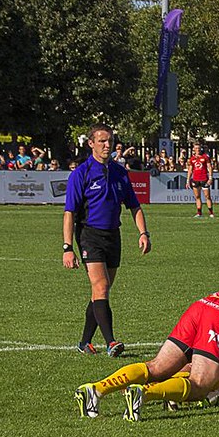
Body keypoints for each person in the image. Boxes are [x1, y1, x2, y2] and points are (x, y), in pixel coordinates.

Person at [75, 291, 219, 421]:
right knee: (200, 385)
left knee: (156, 367)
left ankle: (96, 389)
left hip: (205, 305)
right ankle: (145, 393)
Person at [62, 122, 152, 358]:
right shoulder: (81, 174)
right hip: (89, 235)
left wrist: (143, 233)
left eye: (109, 141)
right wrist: (67, 247)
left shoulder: (120, 172)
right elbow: (69, 213)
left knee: (100, 291)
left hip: (113, 235)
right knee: (100, 286)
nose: (106, 145)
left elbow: (134, 206)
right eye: (101, 141)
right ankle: (111, 342)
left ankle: (84, 342)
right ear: (91, 143)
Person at [186, 142, 214, 218]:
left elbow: (209, 167)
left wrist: (210, 178)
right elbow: (190, 170)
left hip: (204, 179)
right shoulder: (192, 159)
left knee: (207, 196)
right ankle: (199, 213)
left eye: (199, 148)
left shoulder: (205, 157)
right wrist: (188, 180)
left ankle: (211, 213)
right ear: (194, 149)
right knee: (197, 196)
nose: (197, 150)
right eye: (196, 148)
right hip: (195, 179)